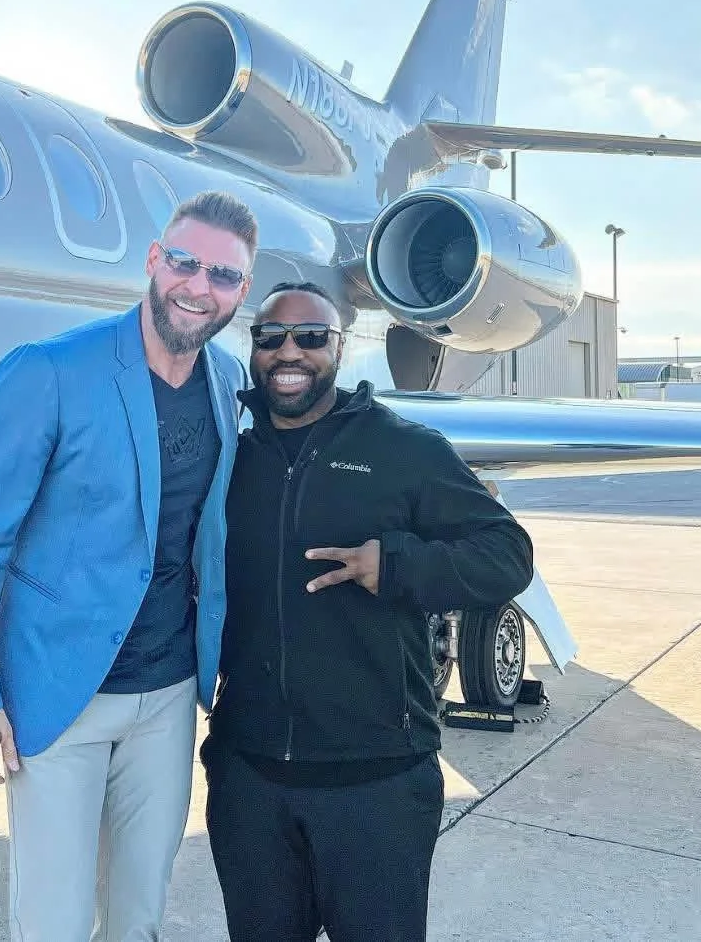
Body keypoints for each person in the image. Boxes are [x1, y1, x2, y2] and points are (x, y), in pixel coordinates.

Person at [0, 190, 256, 942]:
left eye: (224, 276)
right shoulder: (47, 371)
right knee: (55, 922)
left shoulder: (225, 381)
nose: (198, 288)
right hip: (57, 693)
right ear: (153, 260)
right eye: (184, 262)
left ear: (240, 291)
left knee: (139, 916)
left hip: (167, 696)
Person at [203, 281, 534, 942]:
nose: (288, 351)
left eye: (309, 337)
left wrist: (399, 566)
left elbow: (507, 553)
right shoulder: (229, 457)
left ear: (338, 349)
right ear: (253, 350)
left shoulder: (403, 448)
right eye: (270, 338)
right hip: (249, 779)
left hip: (376, 781)